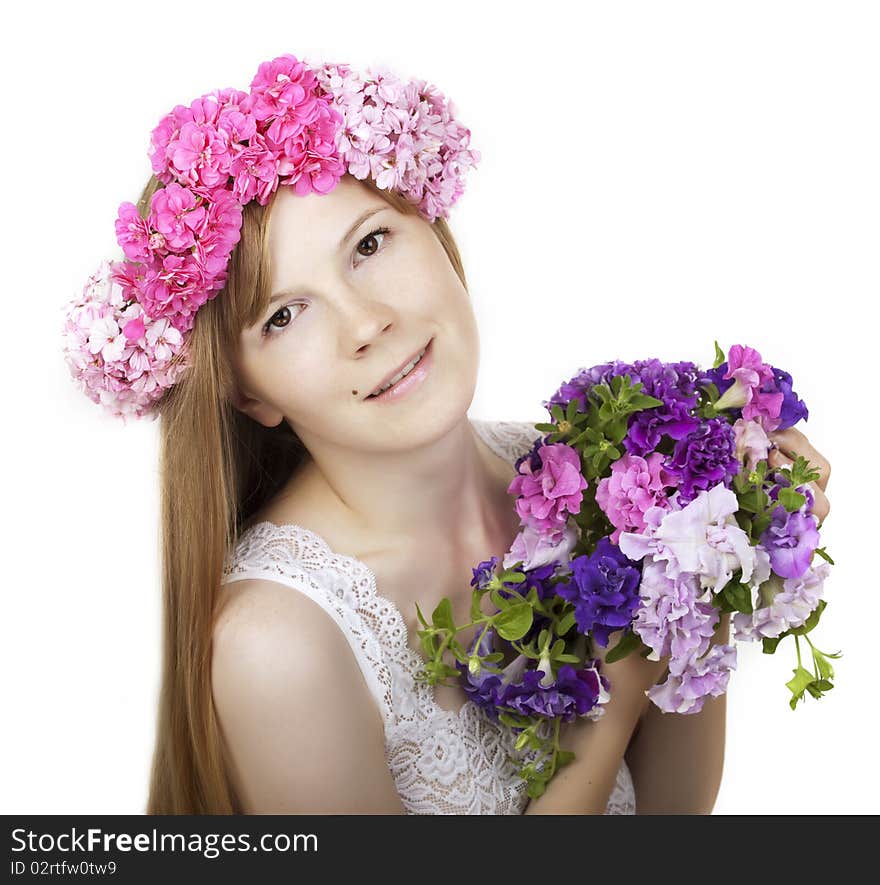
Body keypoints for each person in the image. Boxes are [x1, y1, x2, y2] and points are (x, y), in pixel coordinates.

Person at [63, 53, 832, 815]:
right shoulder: (279, 646)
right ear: (246, 393)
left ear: (435, 228)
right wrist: (609, 714)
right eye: (284, 315)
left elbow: (674, 819)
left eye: (369, 244)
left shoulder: (582, 475)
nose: (367, 324)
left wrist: (717, 549)